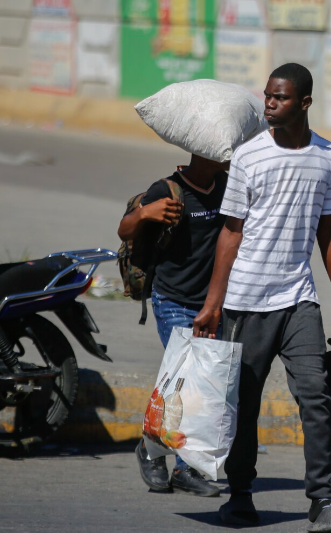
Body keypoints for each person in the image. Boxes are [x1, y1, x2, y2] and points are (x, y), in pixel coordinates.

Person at [192, 63, 331, 531]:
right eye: (266, 95)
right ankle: (241, 494)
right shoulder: (248, 156)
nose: (269, 104)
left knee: (316, 396)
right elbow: (230, 233)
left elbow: (328, 231)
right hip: (246, 301)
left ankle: (322, 500)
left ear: (304, 103)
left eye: (280, 98)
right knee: (244, 406)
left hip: (298, 299)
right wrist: (213, 302)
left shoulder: (329, 157)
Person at [118, 154, 228, 498]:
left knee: (200, 387)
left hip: (211, 304)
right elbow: (124, 229)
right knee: (187, 383)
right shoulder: (166, 190)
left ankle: (183, 468)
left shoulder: (226, 186)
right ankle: (151, 451)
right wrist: (143, 214)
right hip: (174, 300)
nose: (227, 157)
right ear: (201, 152)